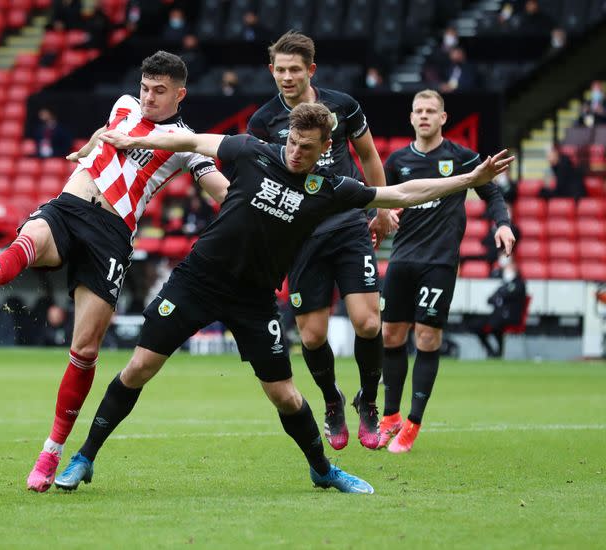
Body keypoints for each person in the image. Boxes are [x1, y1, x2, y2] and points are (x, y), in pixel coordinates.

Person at [53, 102, 513, 494]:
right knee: (138, 368)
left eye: (306, 147)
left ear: (324, 149)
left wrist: (468, 180)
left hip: (253, 299)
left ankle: (323, 470)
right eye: (292, 141)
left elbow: (403, 193)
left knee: (286, 396)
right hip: (198, 280)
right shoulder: (253, 151)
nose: (294, 151)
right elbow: (191, 143)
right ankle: (85, 456)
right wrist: (124, 139)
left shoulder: (332, 190)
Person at [0, 51, 230, 492]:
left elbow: (213, 182)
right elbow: (107, 131)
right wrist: (86, 149)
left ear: (180, 94)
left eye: (160, 91)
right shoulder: (123, 104)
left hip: (112, 235)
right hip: (72, 203)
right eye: (145, 87)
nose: (148, 97)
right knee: (32, 239)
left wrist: (246, 202)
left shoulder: (184, 140)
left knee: (84, 348)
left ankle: (51, 451)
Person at [247, 31, 397, 451]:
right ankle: (332, 400)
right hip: (299, 236)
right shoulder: (262, 122)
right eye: (281, 70)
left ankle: (368, 400)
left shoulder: (343, 106)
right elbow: (260, 179)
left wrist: (381, 208)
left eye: (296, 69)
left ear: (311, 70)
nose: (287, 77)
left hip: (348, 224)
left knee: (368, 322)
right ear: (271, 71)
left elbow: (368, 157)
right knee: (311, 337)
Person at [379, 89, 516, 453]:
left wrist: (501, 224)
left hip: (438, 263)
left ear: (443, 118)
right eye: (418, 111)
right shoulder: (397, 161)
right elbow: (380, 198)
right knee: (390, 335)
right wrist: (383, 214)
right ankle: (390, 417)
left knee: (426, 338)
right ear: (411, 118)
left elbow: (493, 194)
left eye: (431, 111)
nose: (424, 116)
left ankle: (412, 423)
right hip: (402, 260)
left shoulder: (460, 158)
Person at [470, 256, 527, 357]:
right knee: (476, 325)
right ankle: (491, 351)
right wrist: (499, 298)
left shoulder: (519, 283)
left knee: (495, 325)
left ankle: (499, 352)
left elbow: (508, 295)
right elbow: (491, 298)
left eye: (509, 267)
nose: (506, 270)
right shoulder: (505, 284)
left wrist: (499, 298)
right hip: (498, 315)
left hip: (511, 316)